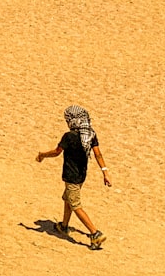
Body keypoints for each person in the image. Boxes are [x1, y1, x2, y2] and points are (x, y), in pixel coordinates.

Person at [36, 104, 111, 249]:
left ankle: (95, 233)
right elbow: (98, 154)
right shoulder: (90, 134)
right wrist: (105, 172)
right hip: (82, 176)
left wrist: (42, 155)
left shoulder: (69, 136)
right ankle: (64, 226)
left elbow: (57, 152)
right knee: (68, 199)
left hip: (71, 176)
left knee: (76, 205)